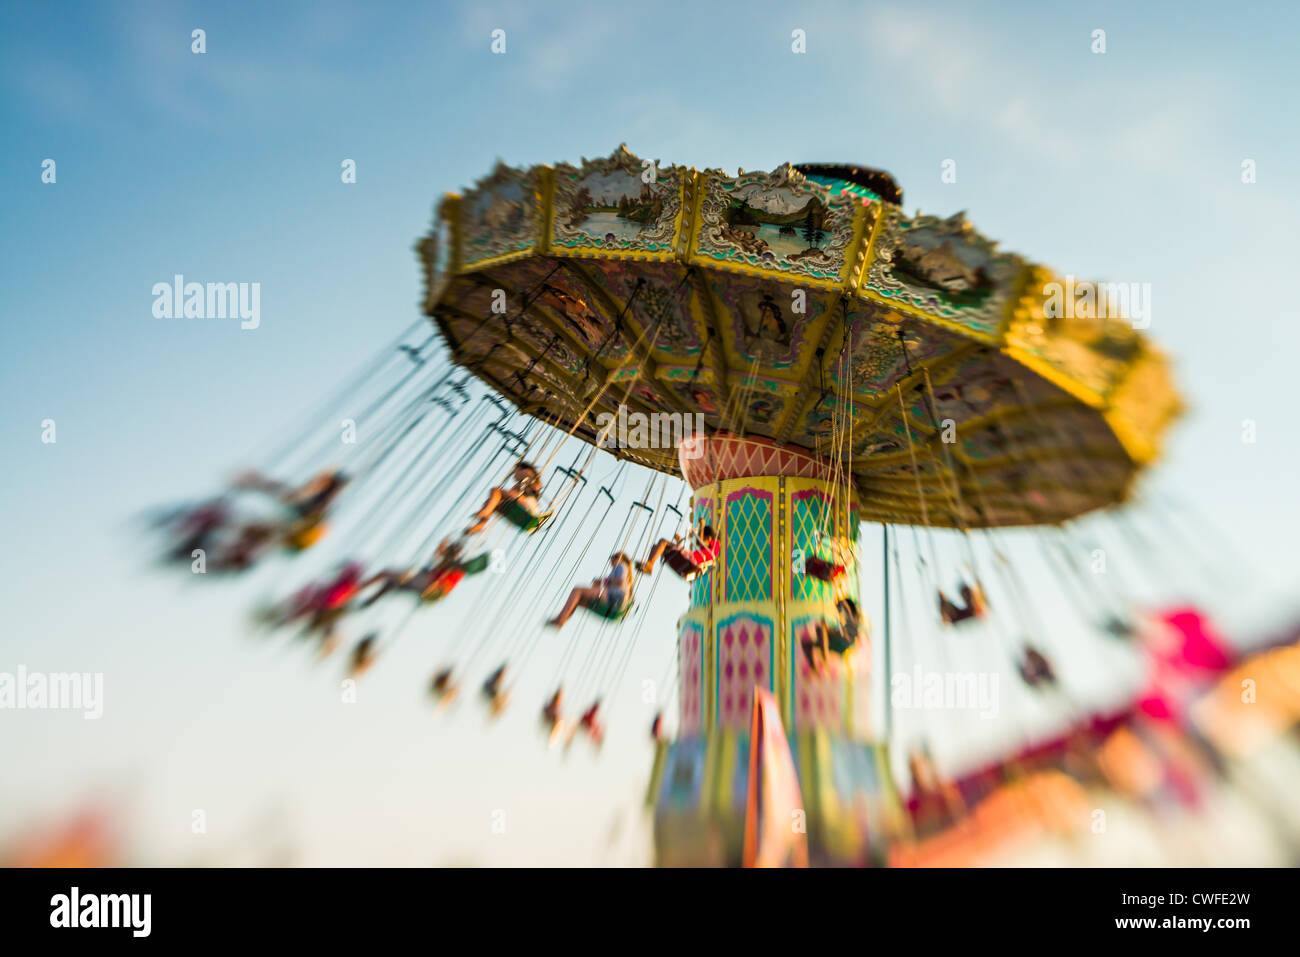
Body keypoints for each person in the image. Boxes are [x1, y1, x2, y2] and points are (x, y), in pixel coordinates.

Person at [358, 538, 489, 607]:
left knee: (387, 574)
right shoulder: (451, 565)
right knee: (391, 582)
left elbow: (445, 562)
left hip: (431, 586)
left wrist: (441, 549)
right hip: (428, 585)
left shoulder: (455, 566)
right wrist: (441, 549)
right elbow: (440, 560)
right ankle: (372, 598)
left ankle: (361, 587)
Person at [547, 553, 636, 628]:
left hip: (616, 597)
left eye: (612, 557)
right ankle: (562, 619)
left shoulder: (621, 565)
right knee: (579, 600)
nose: (610, 560)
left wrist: (603, 581)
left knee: (577, 591)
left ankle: (560, 619)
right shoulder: (621, 572)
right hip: (616, 604)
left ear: (617, 558)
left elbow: (620, 582)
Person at [465, 462, 545, 535]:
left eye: (515, 470)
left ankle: (485, 512)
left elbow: (536, 486)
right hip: (520, 508)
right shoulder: (521, 484)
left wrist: (524, 476)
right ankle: (480, 525)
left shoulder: (530, 477)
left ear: (520, 468)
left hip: (528, 505)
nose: (513, 472)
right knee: (490, 502)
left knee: (496, 490)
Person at [637, 523, 720, 581]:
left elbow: (700, 542)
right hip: (689, 557)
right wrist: (679, 541)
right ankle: (649, 565)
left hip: (691, 560)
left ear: (709, 538)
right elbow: (701, 544)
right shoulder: (708, 550)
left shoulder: (714, 543)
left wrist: (702, 525)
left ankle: (650, 565)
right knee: (655, 547)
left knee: (663, 542)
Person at [801, 597, 863, 673]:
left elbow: (845, 606)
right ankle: (815, 666)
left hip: (843, 641)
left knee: (821, 629)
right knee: (810, 641)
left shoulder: (852, 621)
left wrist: (839, 605)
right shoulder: (850, 622)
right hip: (838, 643)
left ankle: (824, 659)